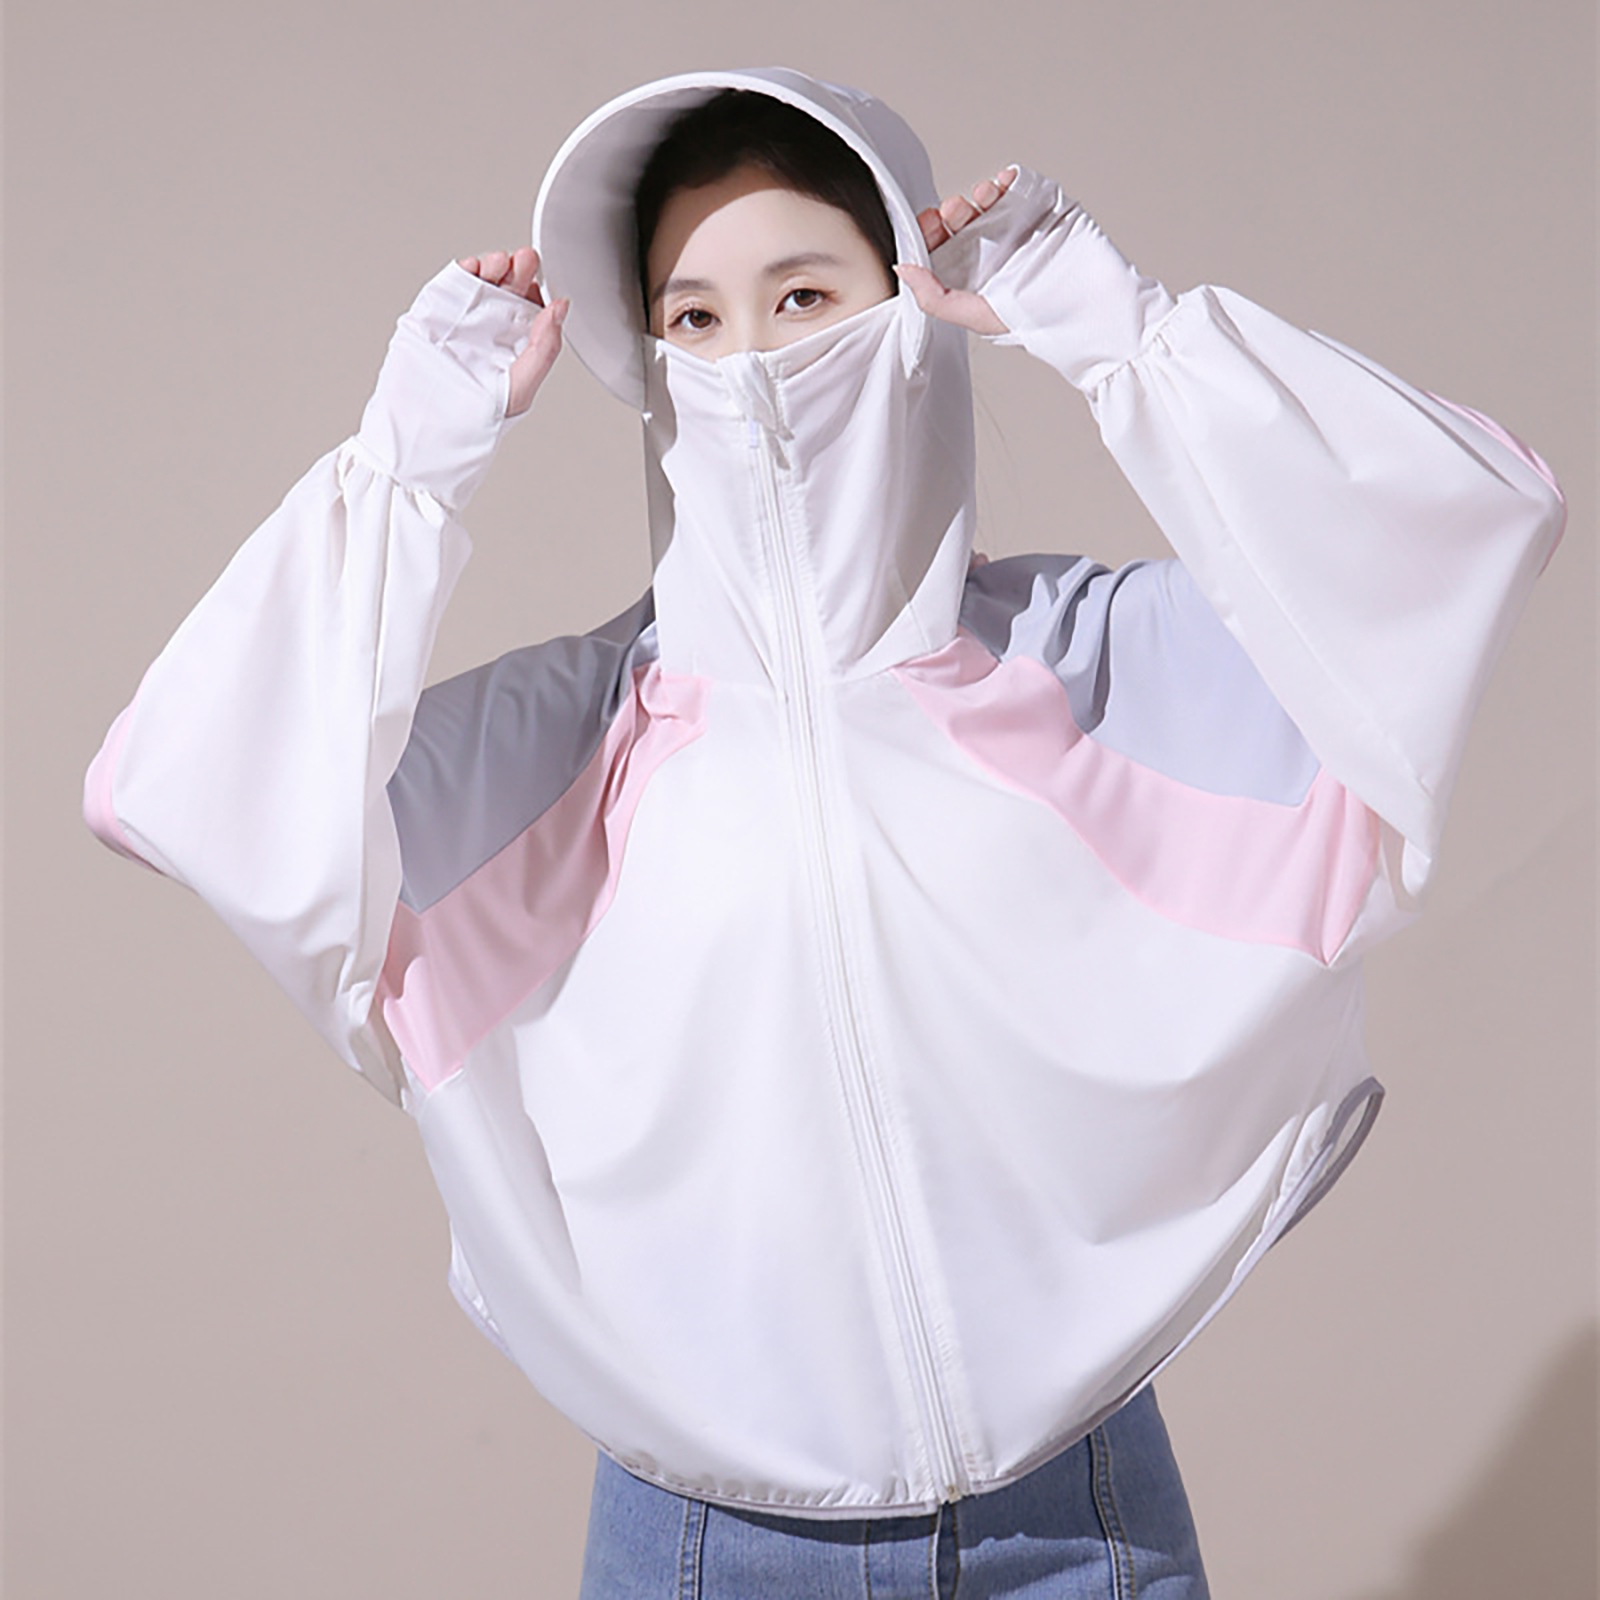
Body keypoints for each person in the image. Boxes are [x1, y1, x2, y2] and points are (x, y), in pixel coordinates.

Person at [83, 69, 1564, 1599]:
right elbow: (181, 778)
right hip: (702, 1539)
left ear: (910, 308)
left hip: (1078, 1517)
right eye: (694, 317)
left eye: (803, 297)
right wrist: (410, 457)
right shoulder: (557, 755)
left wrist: (1116, 327)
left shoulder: (1092, 667)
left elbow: (1461, 521)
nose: (752, 360)